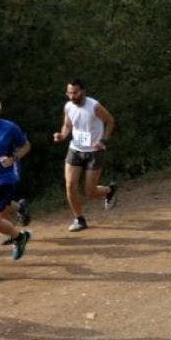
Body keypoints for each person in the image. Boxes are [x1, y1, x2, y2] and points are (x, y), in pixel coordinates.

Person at [53, 79, 118, 232]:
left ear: (83, 91)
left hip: (94, 151)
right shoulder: (68, 106)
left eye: (75, 92)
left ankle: (109, 190)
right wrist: (62, 136)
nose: (72, 96)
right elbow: (67, 125)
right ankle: (79, 219)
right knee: (70, 185)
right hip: (75, 149)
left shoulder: (94, 106)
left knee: (90, 191)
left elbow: (110, 121)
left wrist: (103, 140)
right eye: (69, 93)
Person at [0, 100, 31, 260]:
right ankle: (19, 237)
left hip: (3, 179)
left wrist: (13, 158)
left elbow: (25, 146)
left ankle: (19, 237)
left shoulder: (9, 128)